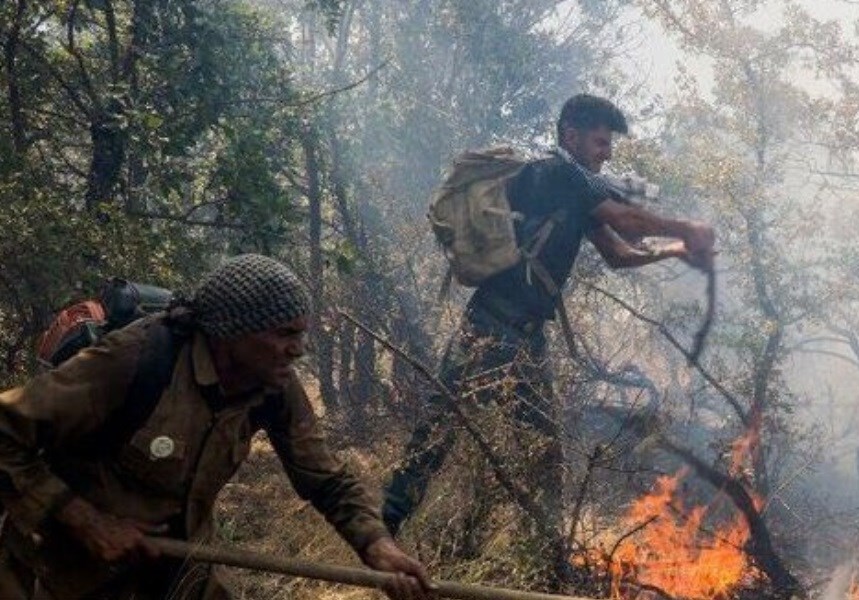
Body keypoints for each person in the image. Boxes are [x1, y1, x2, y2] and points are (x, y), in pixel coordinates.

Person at [382, 94, 715, 571]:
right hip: (490, 326)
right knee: (438, 435)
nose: (607, 153)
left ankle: (544, 560)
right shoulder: (557, 175)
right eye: (601, 142)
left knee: (544, 451)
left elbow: (619, 254)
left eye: (609, 145)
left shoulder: (576, 192)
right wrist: (687, 227)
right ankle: (381, 538)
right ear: (570, 135)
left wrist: (675, 249)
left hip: (527, 337)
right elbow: (625, 219)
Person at [0, 254, 432, 600]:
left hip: (176, 566)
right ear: (231, 333)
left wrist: (378, 547)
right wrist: (87, 521)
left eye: (301, 334)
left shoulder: (274, 385)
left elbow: (327, 481)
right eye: (284, 333)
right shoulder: (135, 360)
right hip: (58, 569)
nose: (297, 350)